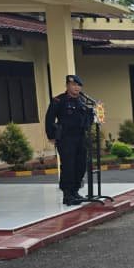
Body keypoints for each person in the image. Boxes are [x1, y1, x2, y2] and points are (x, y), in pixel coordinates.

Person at [44, 74, 95, 207]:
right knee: (68, 166)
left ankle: (75, 191)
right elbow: (49, 119)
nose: (76, 88)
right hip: (66, 139)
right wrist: (52, 136)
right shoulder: (58, 101)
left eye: (78, 85)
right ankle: (67, 194)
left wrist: (93, 117)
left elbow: (88, 121)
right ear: (67, 86)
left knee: (80, 165)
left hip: (80, 138)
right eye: (73, 85)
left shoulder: (83, 102)